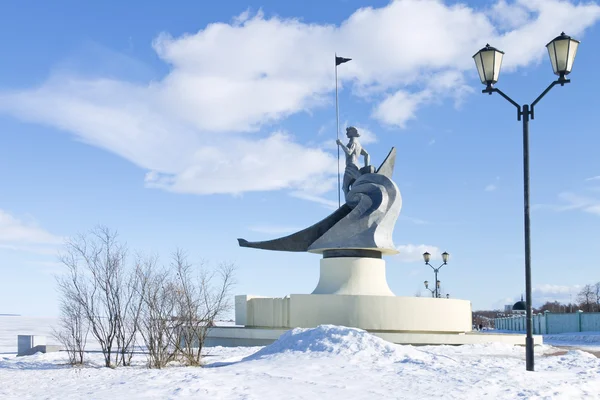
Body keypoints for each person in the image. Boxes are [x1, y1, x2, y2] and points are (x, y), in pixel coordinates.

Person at [336, 126, 371, 199]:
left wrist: (340, 143)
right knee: (355, 186)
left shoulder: (353, 142)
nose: (346, 133)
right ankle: (356, 202)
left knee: (345, 187)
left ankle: (349, 203)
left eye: (348, 132)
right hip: (356, 166)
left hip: (350, 166)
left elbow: (349, 152)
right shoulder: (358, 144)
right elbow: (367, 155)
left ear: (352, 132)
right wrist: (366, 167)